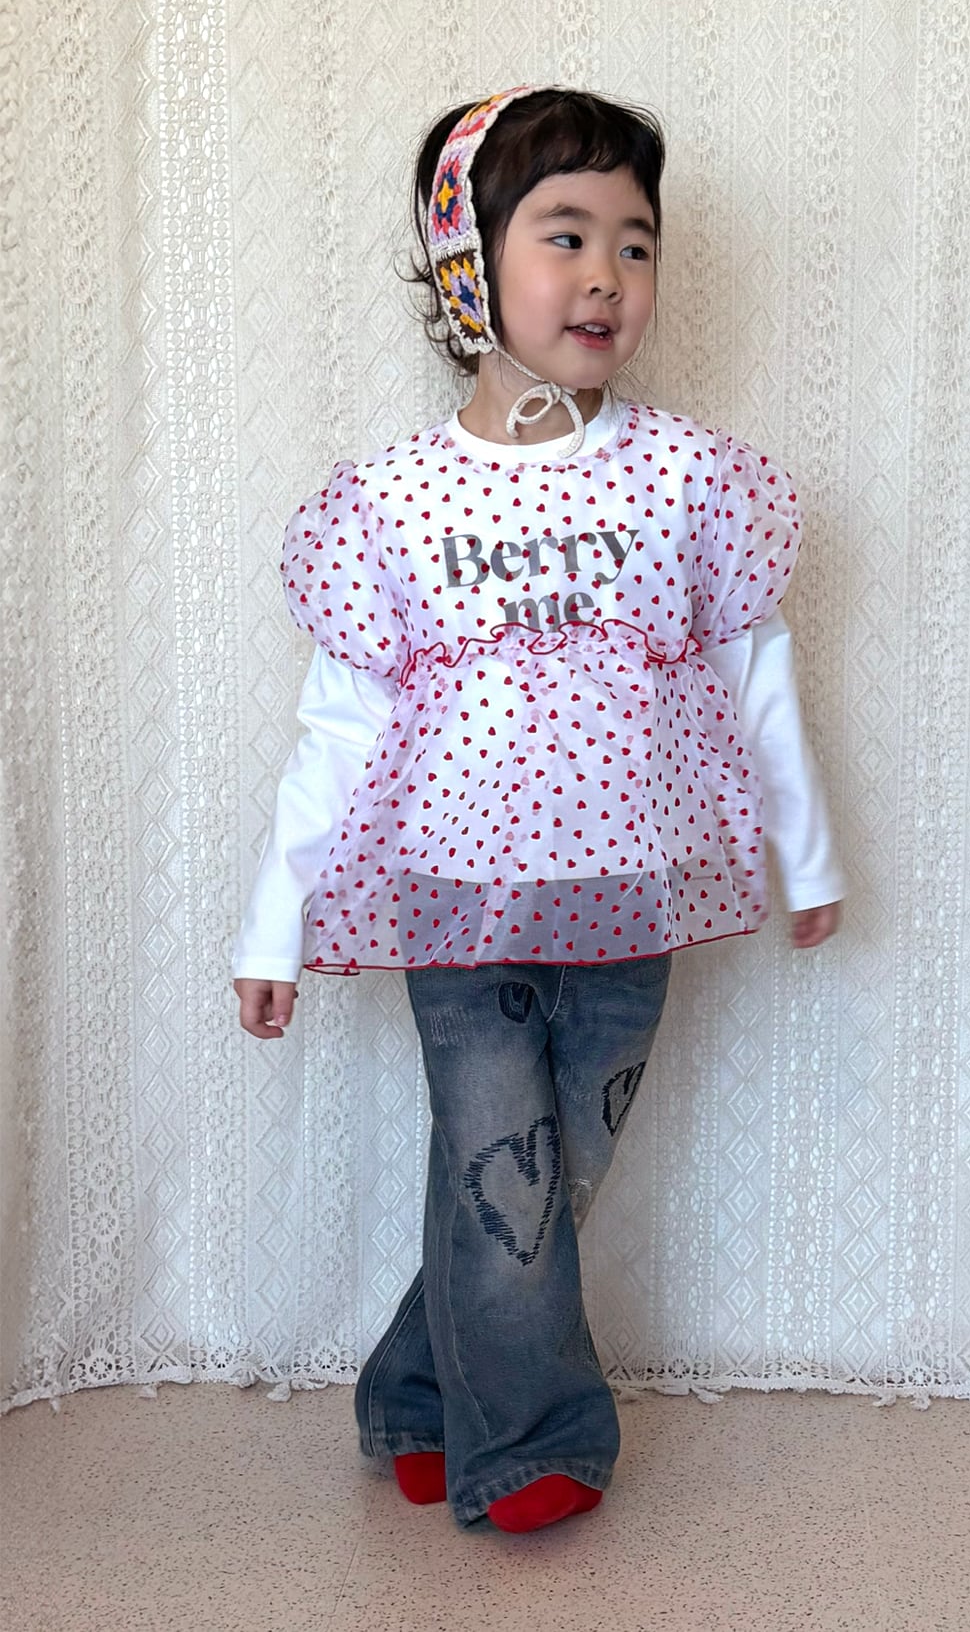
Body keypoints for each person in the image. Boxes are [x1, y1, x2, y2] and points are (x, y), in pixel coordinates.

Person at [233, 85, 843, 1534]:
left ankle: (416, 1393)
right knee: (497, 1166)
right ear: (469, 265)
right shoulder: (392, 505)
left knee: (538, 1179)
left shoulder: (690, 480)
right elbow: (337, 731)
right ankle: (535, 1442)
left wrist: (805, 854)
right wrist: (273, 926)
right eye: (566, 235)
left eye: (636, 243)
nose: (607, 275)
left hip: (636, 890)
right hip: (454, 894)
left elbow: (757, 677)